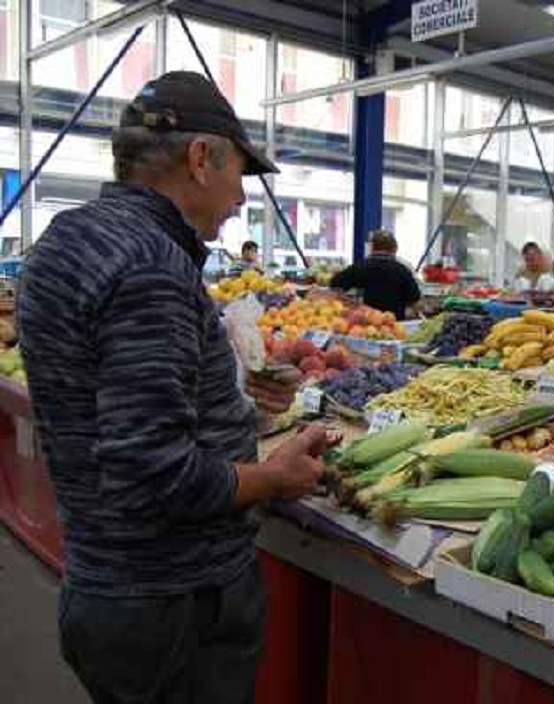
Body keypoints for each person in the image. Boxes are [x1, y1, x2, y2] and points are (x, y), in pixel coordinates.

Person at [17, 71, 337, 704]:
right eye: (241, 173)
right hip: (174, 605)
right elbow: (151, 475)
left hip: (108, 584)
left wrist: (217, 382)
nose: (242, 198)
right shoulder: (151, 266)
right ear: (200, 158)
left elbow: (97, 382)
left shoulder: (65, 240)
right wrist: (274, 478)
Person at [330, 228, 421, 320]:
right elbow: (415, 300)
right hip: (394, 325)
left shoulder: (360, 267)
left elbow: (335, 284)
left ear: (371, 247)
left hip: (366, 324)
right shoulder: (402, 270)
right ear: (394, 248)